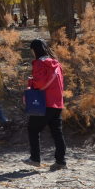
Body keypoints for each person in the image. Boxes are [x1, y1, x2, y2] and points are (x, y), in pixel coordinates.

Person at [26, 39, 66, 170]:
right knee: (57, 132)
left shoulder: (40, 63)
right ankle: (60, 161)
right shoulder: (56, 63)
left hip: (44, 102)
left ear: (34, 50)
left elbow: (40, 83)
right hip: (58, 102)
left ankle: (35, 158)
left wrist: (31, 83)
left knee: (33, 129)